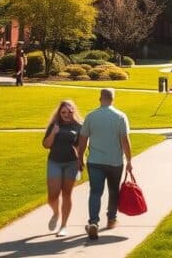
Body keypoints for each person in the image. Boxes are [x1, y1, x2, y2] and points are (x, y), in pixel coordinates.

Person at [76, 88, 133, 240]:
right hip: (115, 162)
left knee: (95, 192)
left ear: (99, 98)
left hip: (95, 161)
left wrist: (80, 158)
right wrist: (129, 160)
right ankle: (111, 219)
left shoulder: (90, 116)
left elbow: (83, 139)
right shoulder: (120, 117)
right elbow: (125, 141)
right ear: (113, 99)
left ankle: (93, 222)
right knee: (114, 191)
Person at [42, 100, 82, 237]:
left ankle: (64, 226)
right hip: (54, 162)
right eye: (63, 112)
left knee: (66, 194)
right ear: (59, 112)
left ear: (73, 111)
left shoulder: (79, 126)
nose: (66, 114)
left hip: (71, 163)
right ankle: (56, 213)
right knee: (52, 196)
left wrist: (80, 163)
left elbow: (80, 147)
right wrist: (53, 132)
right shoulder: (54, 125)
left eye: (69, 112)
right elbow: (46, 145)